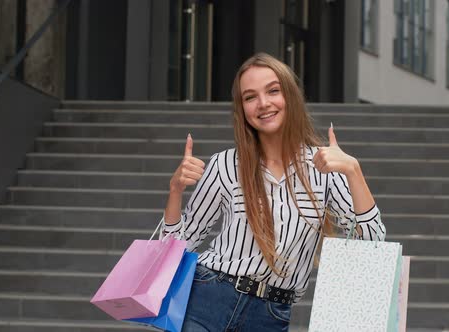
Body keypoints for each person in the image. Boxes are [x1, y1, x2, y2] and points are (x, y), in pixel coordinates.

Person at [161, 53, 386, 331]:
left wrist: (353, 170)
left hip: (270, 316)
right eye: (250, 97)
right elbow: (176, 246)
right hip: (207, 300)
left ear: (290, 95)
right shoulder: (225, 164)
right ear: (241, 108)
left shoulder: (325, 167)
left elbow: (374, 241)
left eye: (273, 91)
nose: (263, 103)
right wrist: (175, 190)